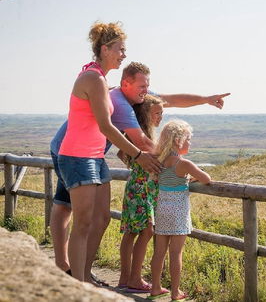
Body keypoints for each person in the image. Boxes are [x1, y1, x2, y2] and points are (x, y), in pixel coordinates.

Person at [50, 57, 230, 282]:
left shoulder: (138, 95)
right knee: (68, 208)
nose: (146, 90)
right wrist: (173, 159)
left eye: (147, 85)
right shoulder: (120, 101)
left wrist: (206, 99)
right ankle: (68, 269)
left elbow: (171, 99)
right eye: (142, 86)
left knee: (87, 213)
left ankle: (79, 273)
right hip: (68, 150)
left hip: (89, 153)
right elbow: (143, 143)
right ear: (126, 83)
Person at [56, 22, 162, 282]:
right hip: (78, 157)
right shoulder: (92, 79)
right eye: (120, 49)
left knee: (101, 219)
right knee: (82, 225)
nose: (124, 55)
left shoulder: (100, 78)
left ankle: (84, 277)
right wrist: (138, 154)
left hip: (94, 157)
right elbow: (106, 126)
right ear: (105, 49)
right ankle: (78, 286)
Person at [148, 120, 211, 301]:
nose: (190, 143)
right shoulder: (183, 164)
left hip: (162, 211)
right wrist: (190, 177)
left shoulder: (160, 162)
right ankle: (175, 292)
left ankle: (155, 287)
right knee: (176, 254)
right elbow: (206, 178)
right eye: (188, 139)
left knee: (159, 252)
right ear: (178, 141)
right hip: (178, 214)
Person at [118, 94, 163, 292]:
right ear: (145, 115)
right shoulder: (144, 137)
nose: (160, 117)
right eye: (157, 113)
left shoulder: (134, 134)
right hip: (143, 187)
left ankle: (125, 278)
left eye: (162, 113)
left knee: (131, 232)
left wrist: (135, 165)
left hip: (135, 185)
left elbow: (121, 152)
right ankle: (135, 279)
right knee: (146, 231)